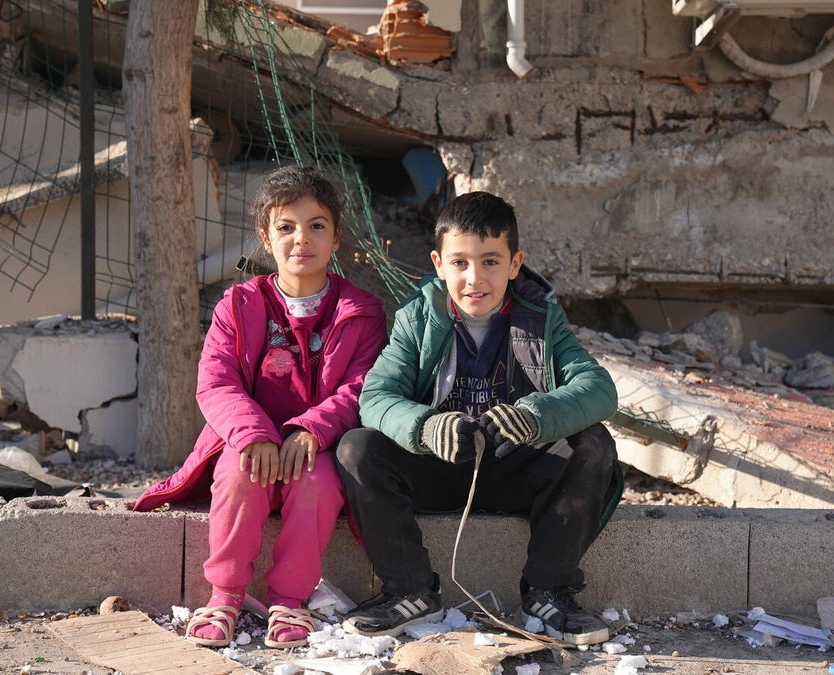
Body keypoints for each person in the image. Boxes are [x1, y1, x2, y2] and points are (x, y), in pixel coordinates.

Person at [335, 191, 623, 645]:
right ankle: (409, 590)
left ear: (515, 263)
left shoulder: (543, 318)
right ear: (438, 263)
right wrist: (425, 427)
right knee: (358, 447)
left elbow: (599, 389)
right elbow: (376, 396)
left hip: (516, 468)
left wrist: (536, 415)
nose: (474, 278)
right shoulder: (417, 318)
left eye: (491, 261)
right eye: (460, 263)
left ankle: (550, 592)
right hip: (441, 468)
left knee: (593, 443)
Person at [132, 165, 387, 649]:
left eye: (316, 226)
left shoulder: (361, 312)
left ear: (336, 238)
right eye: (286, 227)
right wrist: (254, 435)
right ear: (266, 239)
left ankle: (290, 600)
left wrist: (311, 430)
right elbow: (216, 382)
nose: (301, 239)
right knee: (237, 474)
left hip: (316, 449)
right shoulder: (239, 305)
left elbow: (363, 387)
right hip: (249, 443)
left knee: (317, 482)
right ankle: (225, 595)